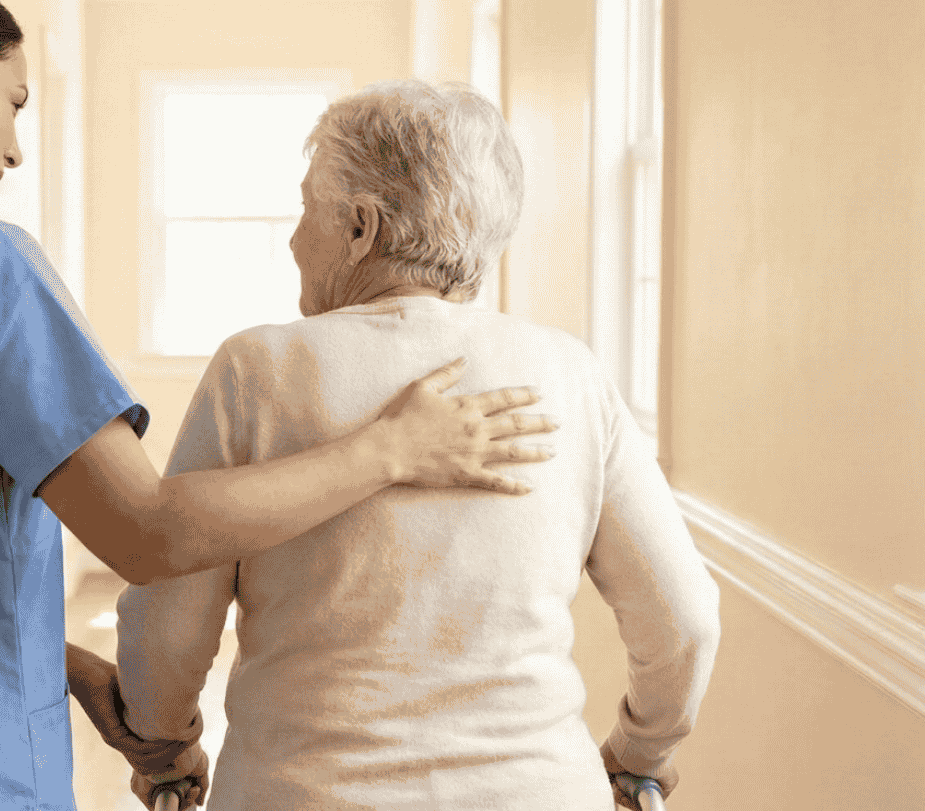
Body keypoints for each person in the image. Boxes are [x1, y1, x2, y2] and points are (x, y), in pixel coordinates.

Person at [0, 3, 559, 808]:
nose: (16, 149)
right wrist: (389, 451)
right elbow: (148, 530)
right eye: (14, 102)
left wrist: (57, 667)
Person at [115, 80, 721, 811]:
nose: (292, 238)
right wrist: (641, 751)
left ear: (360, 227)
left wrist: (166, 744)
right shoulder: (571, 375)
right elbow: (684, 620)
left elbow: (168, 629)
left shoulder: (258, 370)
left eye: (307, 209)